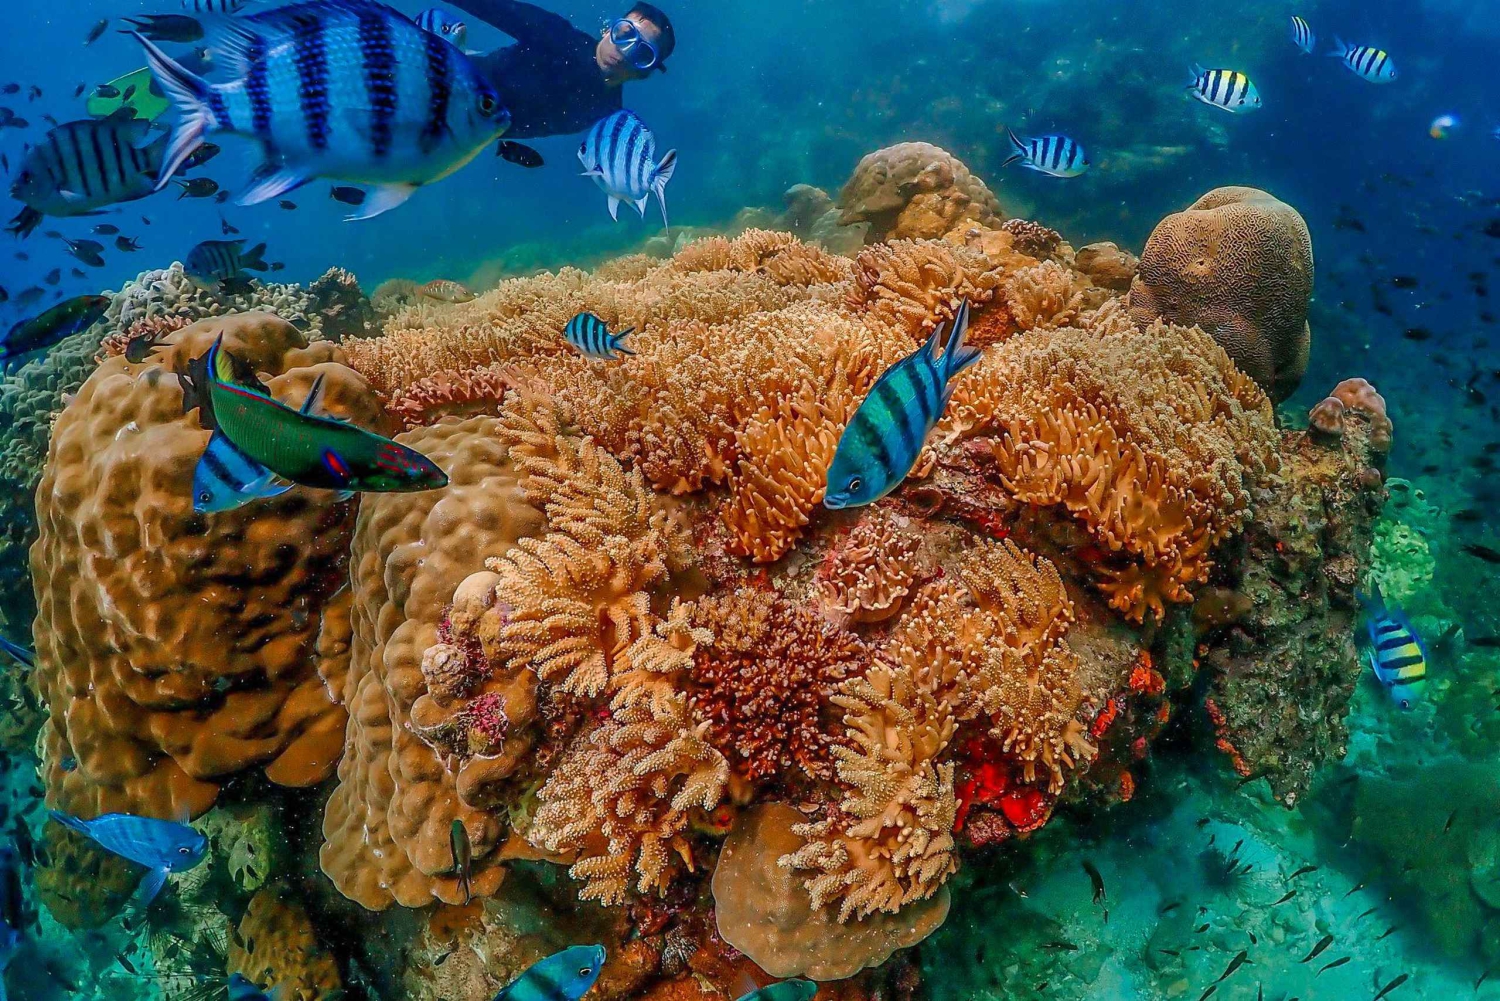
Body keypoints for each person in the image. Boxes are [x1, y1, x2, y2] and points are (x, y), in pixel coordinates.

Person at [445, 0, 676, 140]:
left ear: (644, 72)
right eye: (625, 34)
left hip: (457, 133)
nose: (625, 51)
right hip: (444, 80)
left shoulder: (610, 115)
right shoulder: (557, 36)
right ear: (608, 29)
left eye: (641, 54)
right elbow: (495, 8)